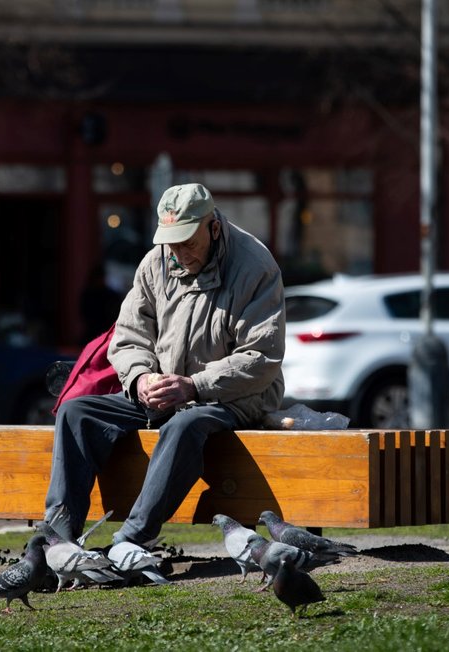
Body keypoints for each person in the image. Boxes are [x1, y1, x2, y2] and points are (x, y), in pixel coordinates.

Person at [44, 182, 286, 545]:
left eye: (188, 241)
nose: (178, 252)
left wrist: (194, 386)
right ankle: (58, 541)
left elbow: (261, 357)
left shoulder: (256, 267)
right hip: (163, 392)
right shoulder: (156, 261)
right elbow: (128, 335)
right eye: (171, 242)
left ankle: (132, 540)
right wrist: (140, 378)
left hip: (234, 397)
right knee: (77, 413)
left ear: (214, 228)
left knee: (184, 425)